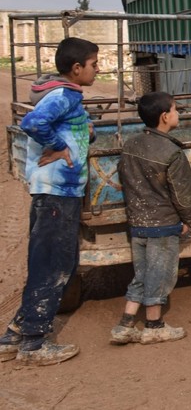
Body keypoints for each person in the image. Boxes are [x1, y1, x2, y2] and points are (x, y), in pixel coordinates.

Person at [0, 37, 99, 366]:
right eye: (94, 64)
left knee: (52, 261)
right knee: (54, 265)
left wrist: (84, 130)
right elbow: (33, 123)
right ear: (76, 68)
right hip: (58, 191)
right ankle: (34, 344)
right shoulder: (65, 94)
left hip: (56, 191)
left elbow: (71, 125)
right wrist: (59, 146)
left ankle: (15, 333)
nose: (97, 70)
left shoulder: (63, 94)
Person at [110, 92, 191, 346]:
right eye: (176, 110)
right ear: (165, 117)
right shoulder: (172, 153)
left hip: (138, 222)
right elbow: (183, 196)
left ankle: (126, 324)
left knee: (142, 273)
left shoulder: (131, 144)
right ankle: (154, 326)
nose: (178, 113)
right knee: (160, 275)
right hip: (163, 224)